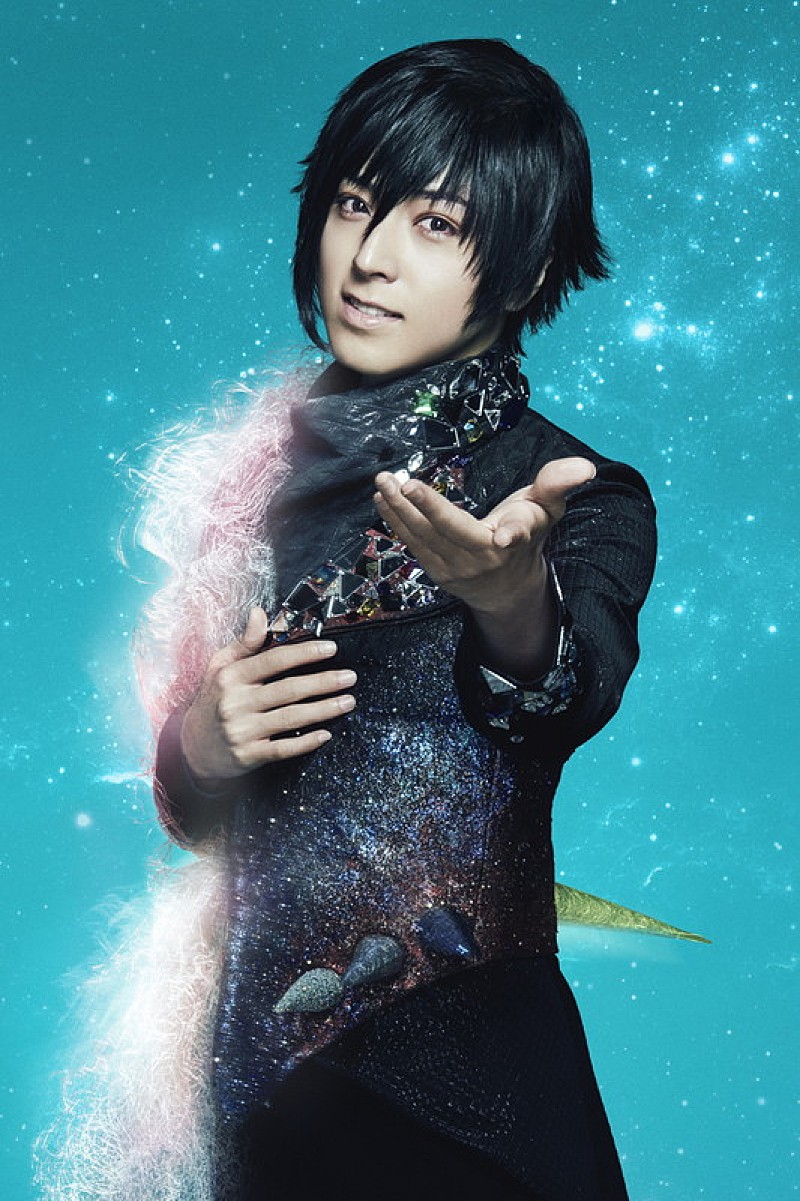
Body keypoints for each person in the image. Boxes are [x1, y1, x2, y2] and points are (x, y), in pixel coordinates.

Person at [146, 38, 657, 1201]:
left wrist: (509, 601)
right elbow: (202, 815)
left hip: (468, 1112)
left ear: (523, 270)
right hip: (264, 1105)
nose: (370, 258)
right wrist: (199, 745)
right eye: (353, 203)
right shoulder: (243, 487)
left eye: (433, 224)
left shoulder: (573, 491)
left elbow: (567, 690)